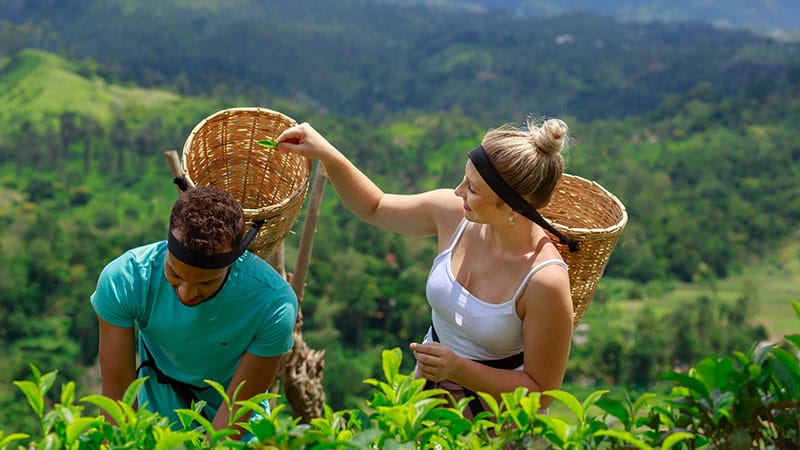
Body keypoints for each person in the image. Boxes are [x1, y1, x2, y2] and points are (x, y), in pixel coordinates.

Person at [276, 116, 575, 418]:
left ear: (512, 206)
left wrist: (458, 369)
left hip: (495, 418)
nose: (458, 192)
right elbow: (375, 206)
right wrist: (326, 152)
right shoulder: (453, 215)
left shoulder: (544, 280)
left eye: (472, 188)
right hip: (426, 395)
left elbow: (541, 393)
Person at [90, 185, 298, 436]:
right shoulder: (127, 279)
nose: (186, 294)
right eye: (175, 275)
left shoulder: (272, 303)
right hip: (159, 423)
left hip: (239, 431)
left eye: (206, 283)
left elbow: (236, 413)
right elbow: (118, 394)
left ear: (231, 266)